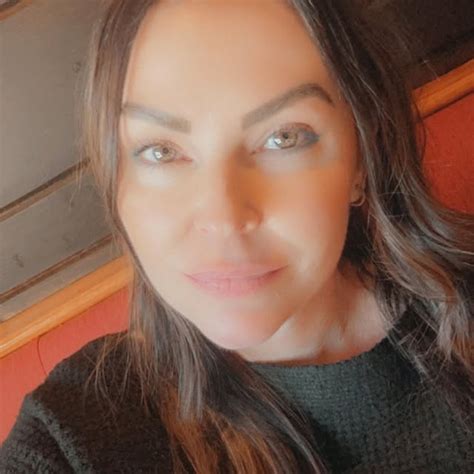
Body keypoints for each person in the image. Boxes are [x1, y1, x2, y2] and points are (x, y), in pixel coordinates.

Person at [1, 0, 473, 472]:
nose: (223, 217)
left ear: (361, 159)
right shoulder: (74, 431)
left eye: (284, 137)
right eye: (161, 151)